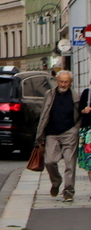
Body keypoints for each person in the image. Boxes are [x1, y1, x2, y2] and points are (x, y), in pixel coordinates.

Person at [35, 70, 80, 202]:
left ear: (70, 82)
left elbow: (81, 115)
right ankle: (56, 182)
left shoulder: (76, 97)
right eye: (61, 81)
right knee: (50, 161)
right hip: (52, 133)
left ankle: (68, 192)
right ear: (57, 81)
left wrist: (76, 128)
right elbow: (43, 116)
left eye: (66, 82)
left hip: (70, 133)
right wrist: (40, 136)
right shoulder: (49, 94)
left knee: (70, 164)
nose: (63, 84)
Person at [78, 86, 91, 199]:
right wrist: (84, 110)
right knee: (90, 162)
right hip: (88, 132)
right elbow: (79, 110)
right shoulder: (87, 93)